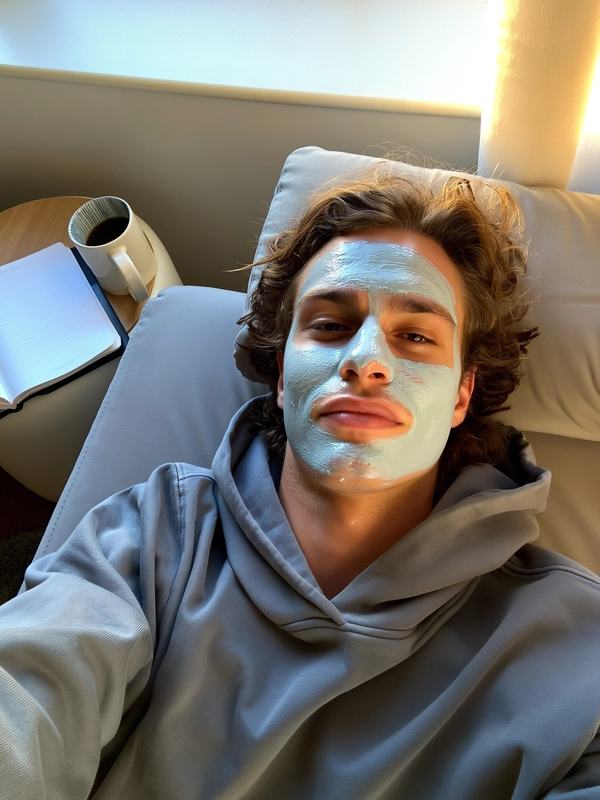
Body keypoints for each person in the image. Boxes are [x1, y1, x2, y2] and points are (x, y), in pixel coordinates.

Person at [1, 169, 600, 800]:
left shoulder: (574, 647)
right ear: (284, 376)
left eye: (417, 335)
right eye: (331, 325)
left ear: (461, 394)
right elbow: (28, 688)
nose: (364, 360)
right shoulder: (152, 539)